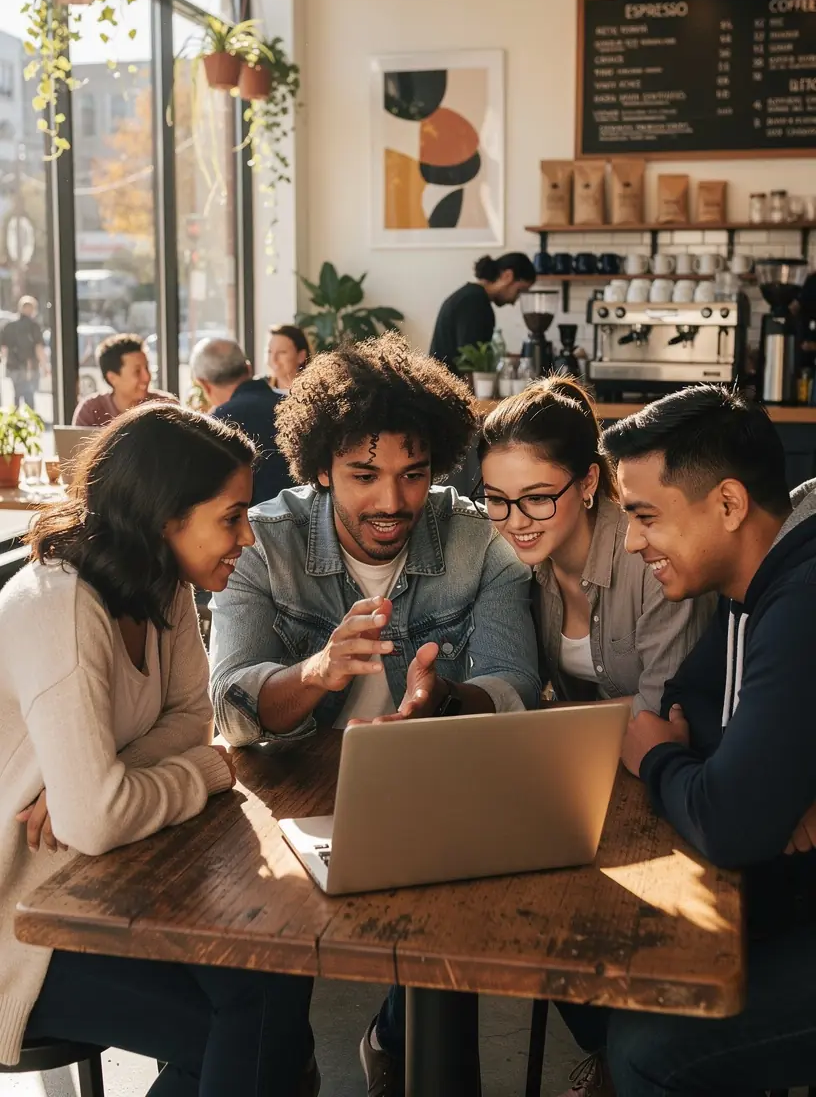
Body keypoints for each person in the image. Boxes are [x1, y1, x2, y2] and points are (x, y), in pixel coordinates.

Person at [209, 333, 541, 1096]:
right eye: (363, 475)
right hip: (285, 807)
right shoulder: (263, 540)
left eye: (413, 475)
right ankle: (286, 1062)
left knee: (449, 968)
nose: (391, 502)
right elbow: (230, 700)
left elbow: (513, 683)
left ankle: (401, 1040)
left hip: (433, 795)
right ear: (321, 467)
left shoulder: (475, 538)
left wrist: (446, 703)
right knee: (267, 983)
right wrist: (317, 672)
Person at [0, 403, 316, 1094]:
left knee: (280, 983)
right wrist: (202, 769)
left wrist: (105, 781)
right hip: (20, 922)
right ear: (166, 514)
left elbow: (184, 720)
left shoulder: (164, 584)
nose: (248, 539)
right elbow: (102, 814)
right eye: (232, 518)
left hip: (107, 876)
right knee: (256, 1033)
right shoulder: (60, 605)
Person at [557, 385, 816, 1097]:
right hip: (786, 882)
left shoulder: (799, 601)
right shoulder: (749, 590)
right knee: (600, 954)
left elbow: (730, 822)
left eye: (645, 516)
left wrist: (657, 756)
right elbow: (686, 698)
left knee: (649, 1047)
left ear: (728, 505)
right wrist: (748, 780)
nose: (634, 542)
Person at [477, 377, 716, 715]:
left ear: (587, 481)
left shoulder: (653, 559)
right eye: (497, 499)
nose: (516, 522)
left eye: (537, 497)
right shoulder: (513, 563)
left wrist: (541, 718)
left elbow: (666, 706)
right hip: (584, 754)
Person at [190, 336, 294, 505]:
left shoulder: (217, 427)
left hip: (255, 526)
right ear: (248, 368)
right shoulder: (293, 405)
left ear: (204, 384)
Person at [429, 252, 536, 375]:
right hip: (447, 389)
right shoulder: (475, 301)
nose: (514, 301)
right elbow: (470, 362)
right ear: (507, 276)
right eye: (519, 290)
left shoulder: (470, 296)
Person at [72, 333, 175, 427]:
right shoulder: (90, 410)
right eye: (137, 371)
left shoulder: (166, 406)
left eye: (147, 368)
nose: (147, 377)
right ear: (112, 378)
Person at [0, 295, 47, 410]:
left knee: (17, 393)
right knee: (29, 394)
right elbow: (38, 348)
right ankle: (30, 420)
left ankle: (16, 418)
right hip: (29, 367)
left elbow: (3, 347)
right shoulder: (34, 326)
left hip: (13, 366)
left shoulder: (9, 326)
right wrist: (45, 366)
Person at [267, 323, 311, 394]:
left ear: (301, 356)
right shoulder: (259, 394)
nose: (273, 359)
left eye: (282, 352)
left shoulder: (314, 397)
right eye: (270, 351)